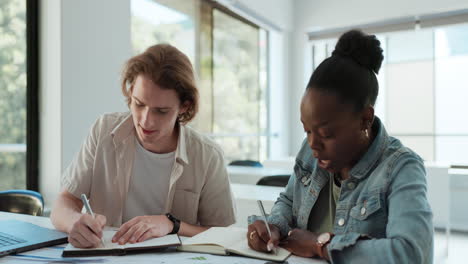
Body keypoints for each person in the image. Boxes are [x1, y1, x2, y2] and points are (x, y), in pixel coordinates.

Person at [247, 30, 433, 263]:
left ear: (365, 119)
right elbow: (289, 200)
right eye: (307, 130)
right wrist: (273, 226)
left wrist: (321, 246)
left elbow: (413, 253)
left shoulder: (401, 167)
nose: (313, 144)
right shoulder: (310, 149)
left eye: (326, 133)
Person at [51, 44, 236, 248]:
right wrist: (74, 223)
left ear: (185, 106)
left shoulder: (207, 156)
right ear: (130, 93)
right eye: (139, 104)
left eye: (161, 111)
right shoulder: (103, 130)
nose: (146, 121)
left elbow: (225, 235)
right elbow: (64, 202)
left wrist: (172, 225)